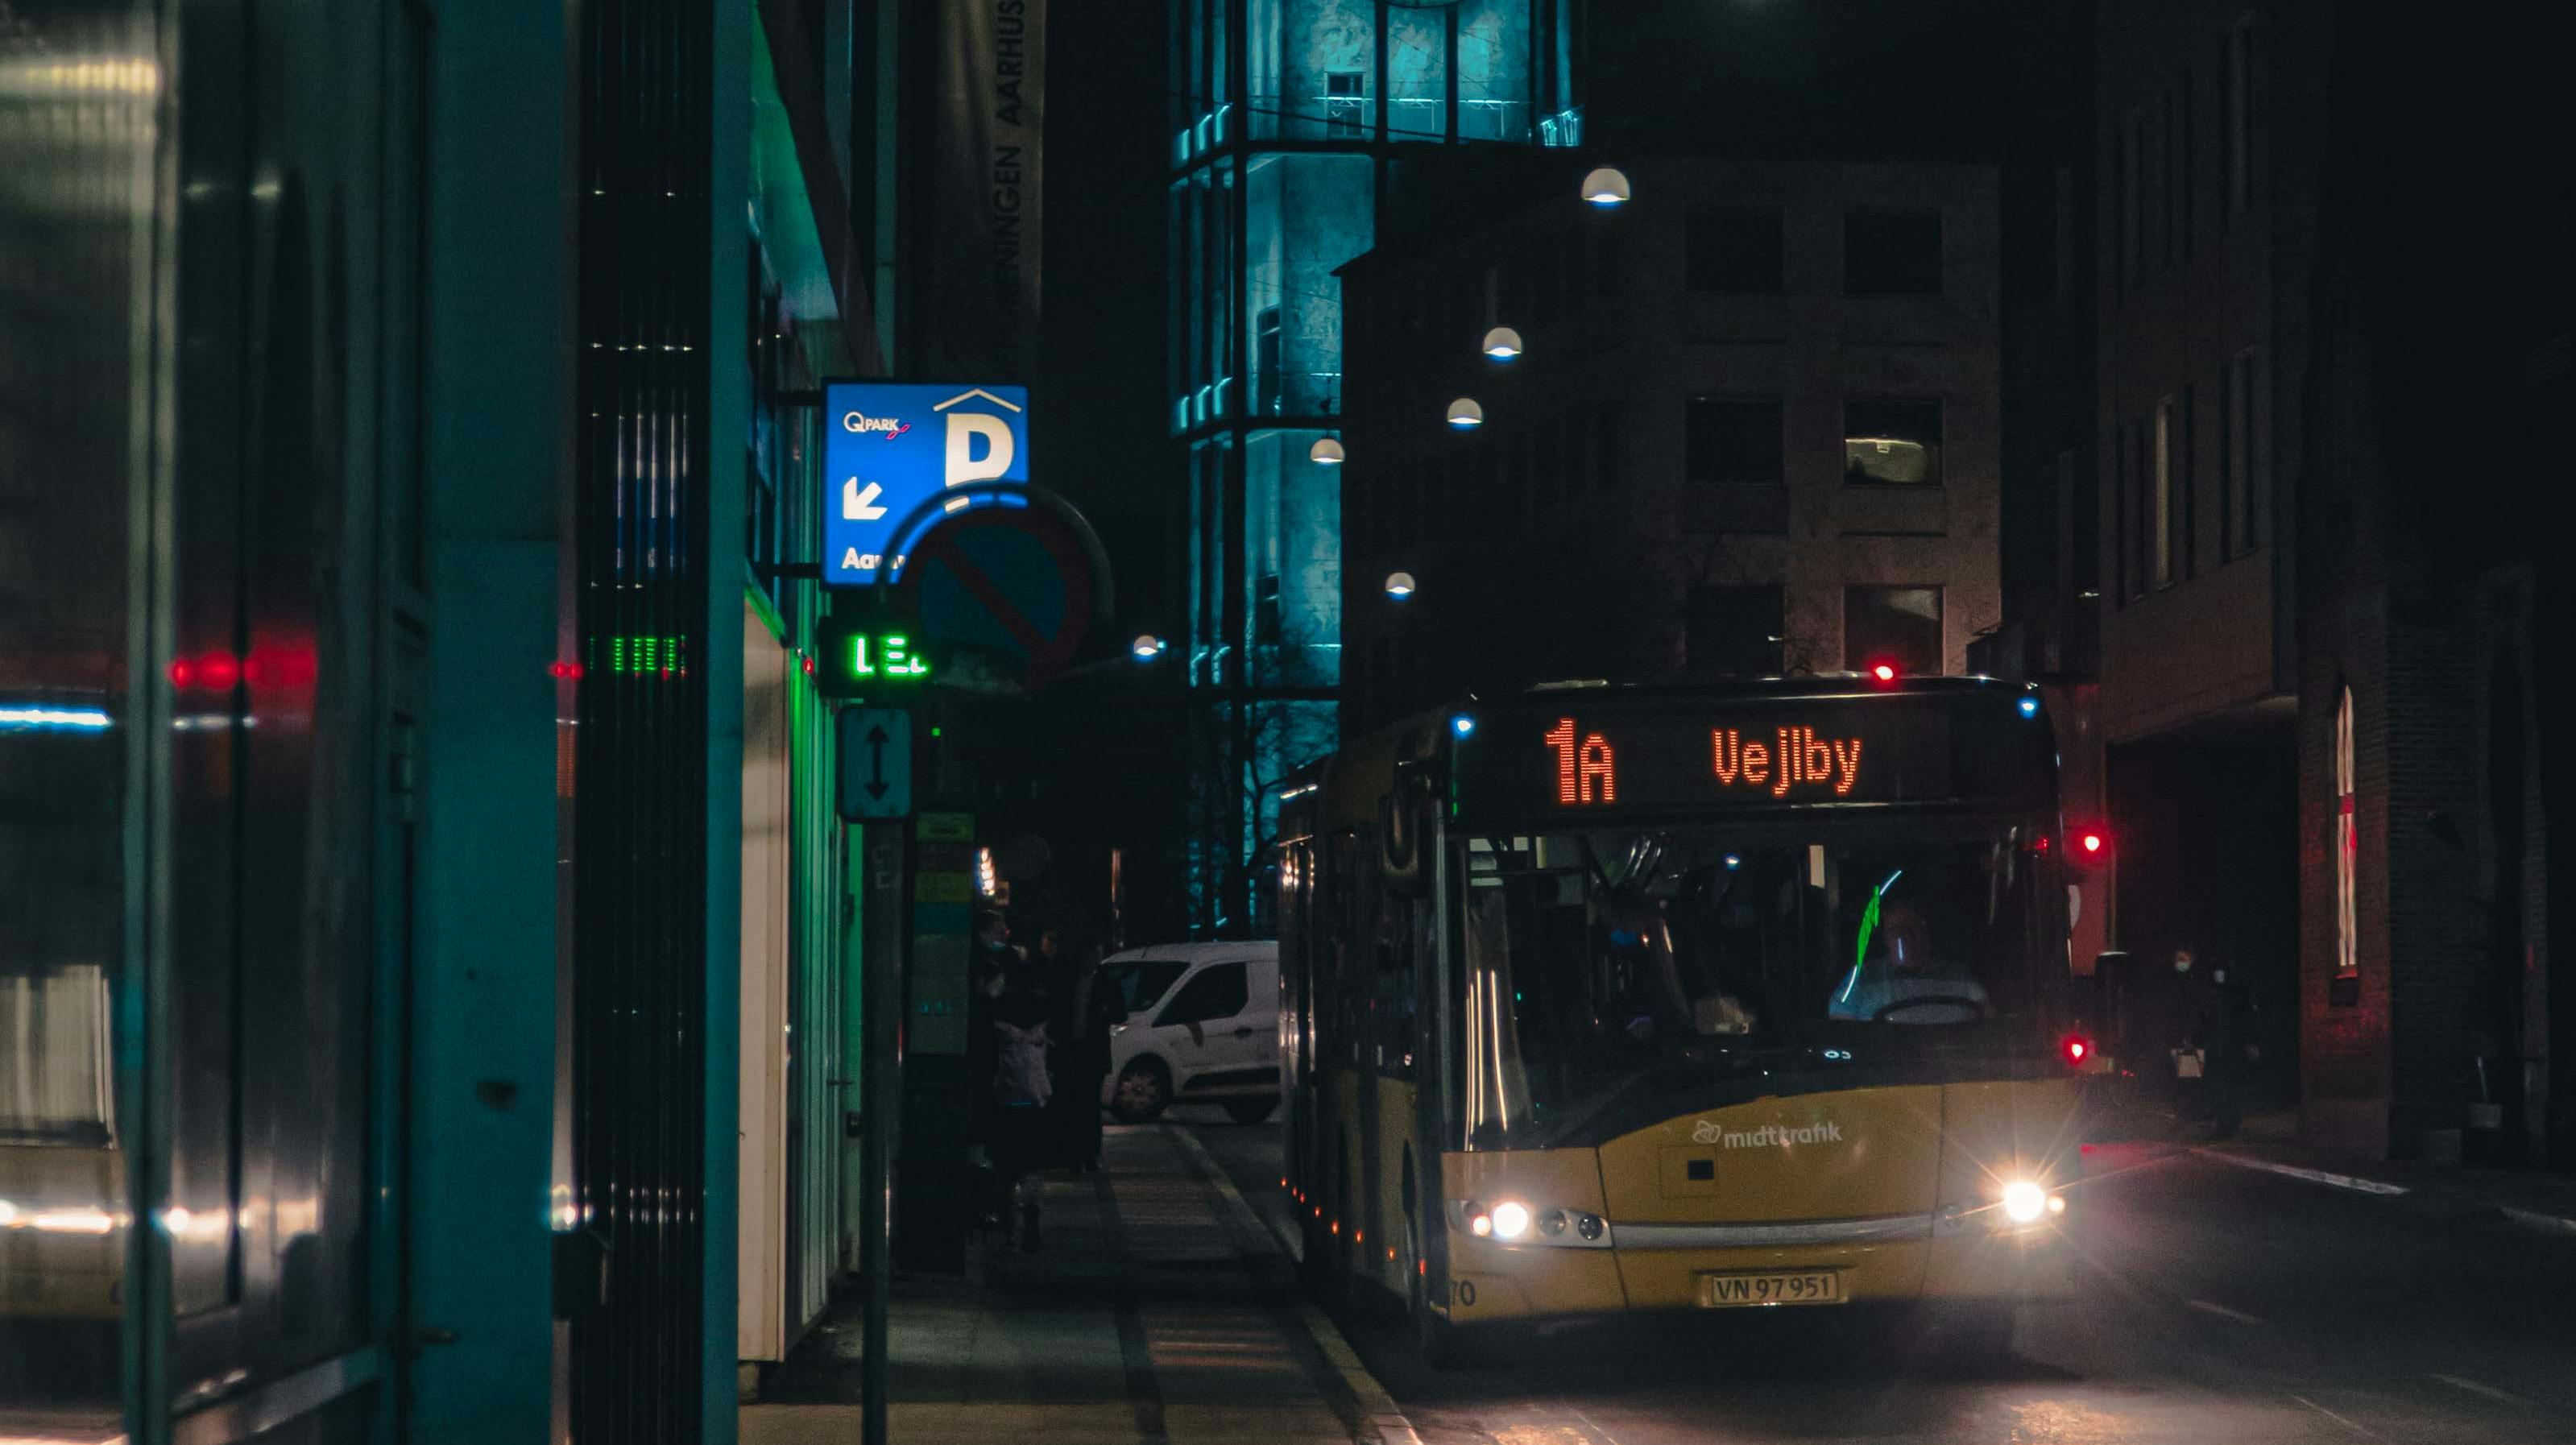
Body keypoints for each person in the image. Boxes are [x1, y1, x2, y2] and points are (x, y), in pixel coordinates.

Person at [988, 946, 1059, 1250]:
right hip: (1036, 1098)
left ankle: (1007, 1227)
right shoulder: (1044, 1009)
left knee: (1005, 1168)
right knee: (1032, 1167)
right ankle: (1031, 1222)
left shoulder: (999, 1009)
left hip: (1006, 1096)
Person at [1059, 938, 1124, 1171]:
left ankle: (1090, 1154)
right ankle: (1075, 1154)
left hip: (1093, 1051)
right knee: (1074, 1103)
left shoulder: (1106, 982)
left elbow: (1120, 1013)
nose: (1093, 959)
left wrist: (1106, 1011)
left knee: (1090, 1106)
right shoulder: (1070, 979)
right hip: (1072, 1048)